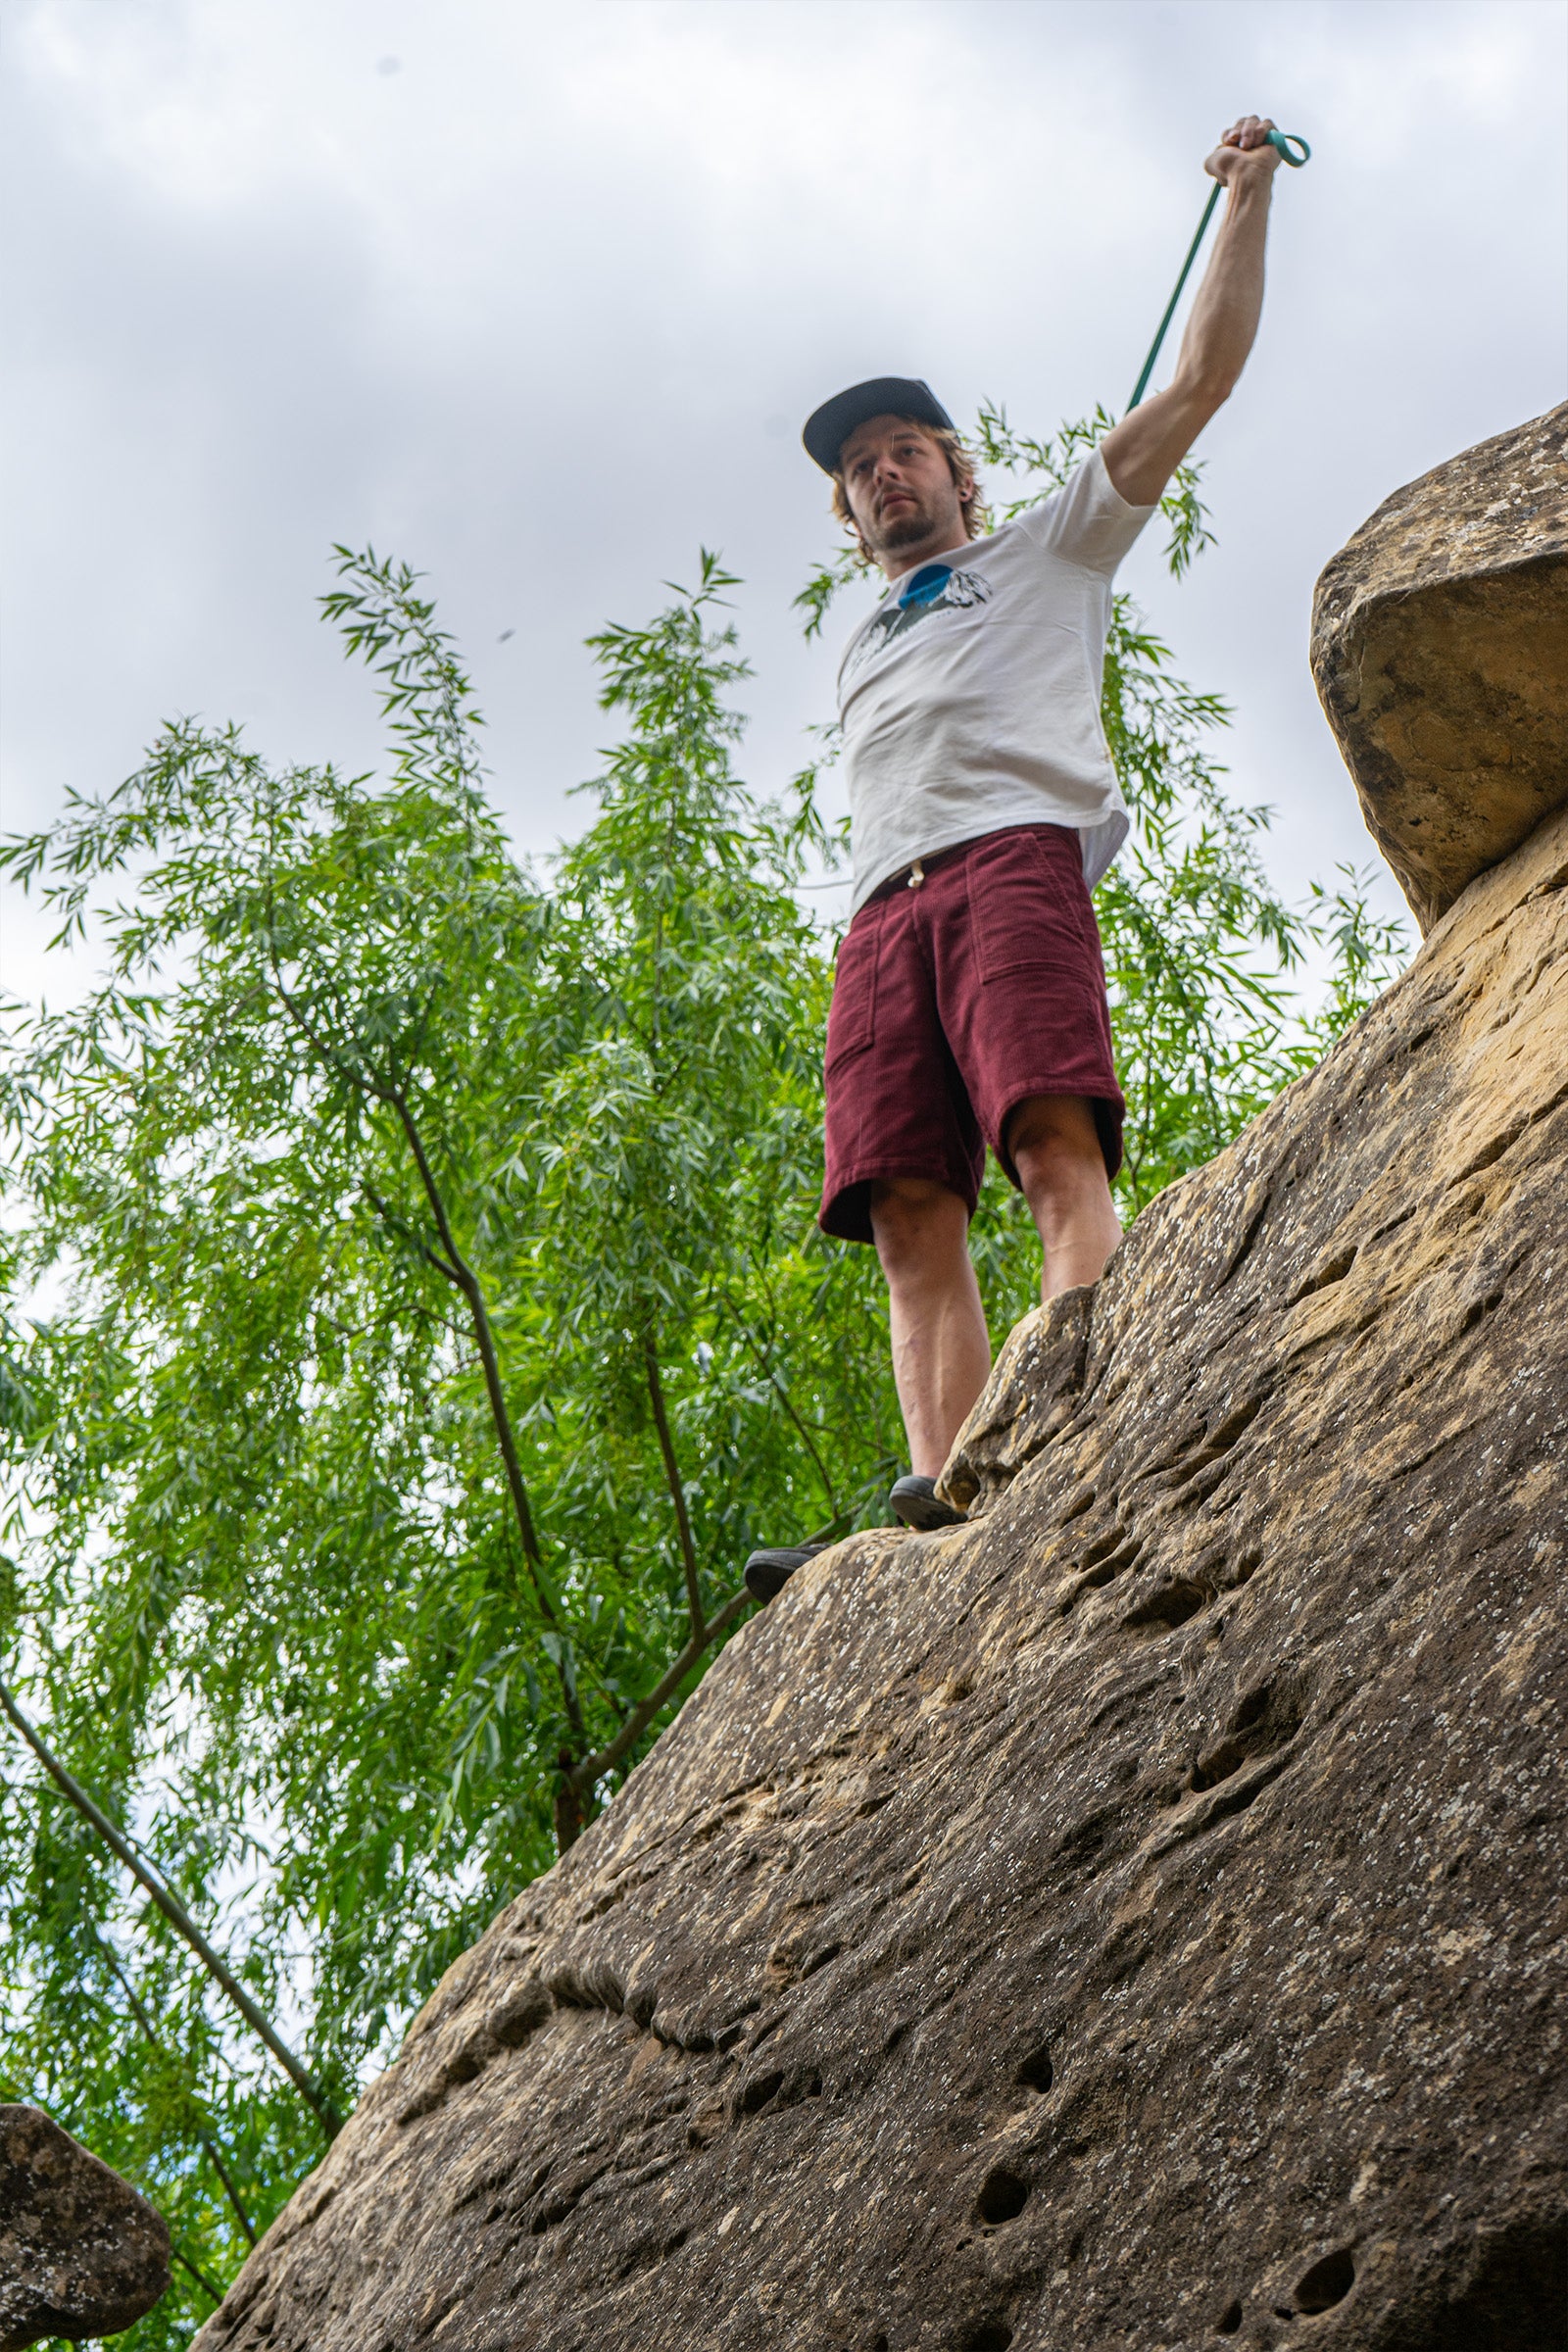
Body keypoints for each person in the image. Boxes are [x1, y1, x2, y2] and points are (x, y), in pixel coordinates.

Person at [745, 116, 1286, 1606]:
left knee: (1050, 1143)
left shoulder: (1046, 548)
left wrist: (1244, 196)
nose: (883, 475)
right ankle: (950, 1486)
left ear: (958, 474)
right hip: (879, 917)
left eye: (904, 449)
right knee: (908, 1210)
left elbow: (1201, 381)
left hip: (1009, 869)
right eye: (859, 469)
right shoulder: (861, 636)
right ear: (849, 514)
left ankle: (1083, 1414)